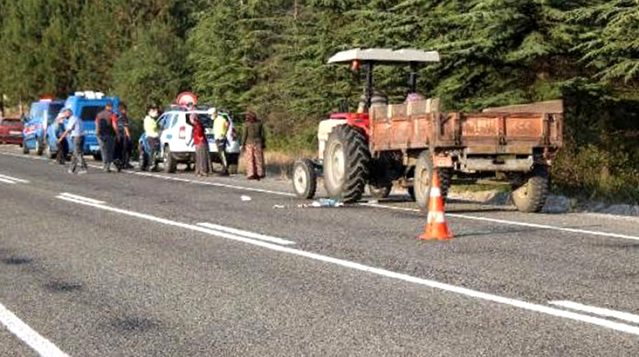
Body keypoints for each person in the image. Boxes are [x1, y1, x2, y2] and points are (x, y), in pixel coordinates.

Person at [57, 108, 87, 174]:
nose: (65, 116)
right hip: (81, 136)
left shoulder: (72, 119)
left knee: (77, 153)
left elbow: (68, 129)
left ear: (69, 113)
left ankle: (84, 168)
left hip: (77, 137)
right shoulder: (76, 118)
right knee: (75, 153)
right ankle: (72, 169)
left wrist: (61, 138)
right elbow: (72, 128)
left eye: (65, 114)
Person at [241, 111, 265, 180]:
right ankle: (260, 173)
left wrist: (242, 145)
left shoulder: (246, 124)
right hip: (258, 142)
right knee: (259, 159)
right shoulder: (259, 123)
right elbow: (262, 135)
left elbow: (244, 135)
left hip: (249, 143)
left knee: (250, 159)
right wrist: (263, 143)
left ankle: (251, 173)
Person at [187, 110, 210, 177]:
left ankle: (203, 171)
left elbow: (199, 133)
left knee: (202, 157)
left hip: (200, 142)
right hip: (198, 142)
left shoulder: (197, 125)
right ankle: (198, 171)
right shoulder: (196, 125)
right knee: (198, 157)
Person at [95, 102, 116, 172]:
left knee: (103, 150)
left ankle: (105, 165)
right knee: (109, 150)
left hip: (100, 135)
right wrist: (117, 134)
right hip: (109, 135)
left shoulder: (99, 114)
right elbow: (114, 125)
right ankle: (107, 166)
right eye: (111, 107)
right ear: (109, 107)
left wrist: (97, 133)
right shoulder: (112, 114)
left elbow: (96, 124)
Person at [113, 102, 132, 170]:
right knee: (126, 150)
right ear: (123, 109)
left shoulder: (117, 116)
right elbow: (125, 127)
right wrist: (129, 136)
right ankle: (124, 163)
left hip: (118, 135)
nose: (126, 111)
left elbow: (115, 125)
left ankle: (119, 162)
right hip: (124, 136)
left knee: (119, 150)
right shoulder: (124, 116)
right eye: (126, 109)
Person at [212, 108, 230, 176]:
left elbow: (227, 124)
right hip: (217, 138)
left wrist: (224, 133)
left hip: (221, 138)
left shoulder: (221, 118)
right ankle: (224, 168)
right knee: (220, 154)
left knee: (222, 154)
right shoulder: (215, 119)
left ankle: (225, 169)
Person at [143, 103, 161, 171]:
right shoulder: (148, 119)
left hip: (153, 136)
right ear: (150, 111)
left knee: (155, 151)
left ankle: (154, 165)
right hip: (151, 136)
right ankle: (151, 165)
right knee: (153, 151)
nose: (156, 112)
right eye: (154, 111)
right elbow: (153, 127)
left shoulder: (152, 119)